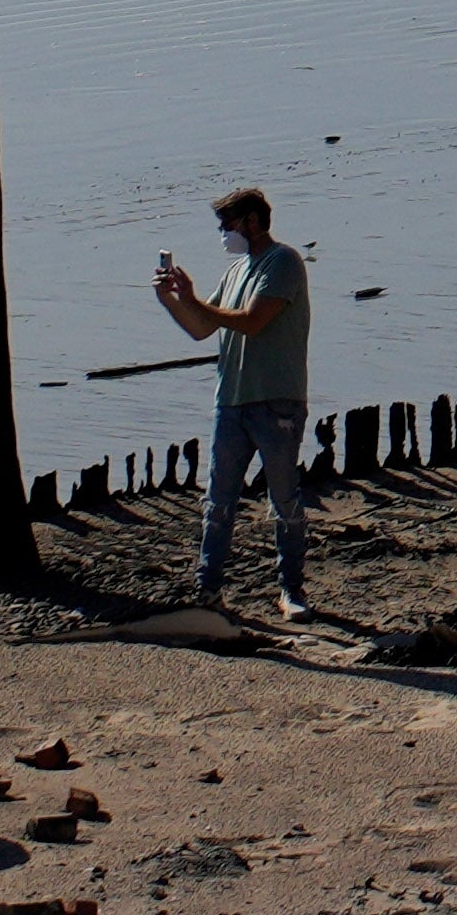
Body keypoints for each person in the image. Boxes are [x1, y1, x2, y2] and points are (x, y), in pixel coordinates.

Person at [150, 190, 319, 624]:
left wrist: (195, 300)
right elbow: (204, 328)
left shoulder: (283, 262)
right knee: (219, 501)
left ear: (252, 222)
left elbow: (252, 321)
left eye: (228, 225)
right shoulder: (235, 270)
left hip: (276, 400)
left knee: (284, 499)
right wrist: (174, 300)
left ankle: (291, 590)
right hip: (232, 400)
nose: (224, 234)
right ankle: (208, 590)